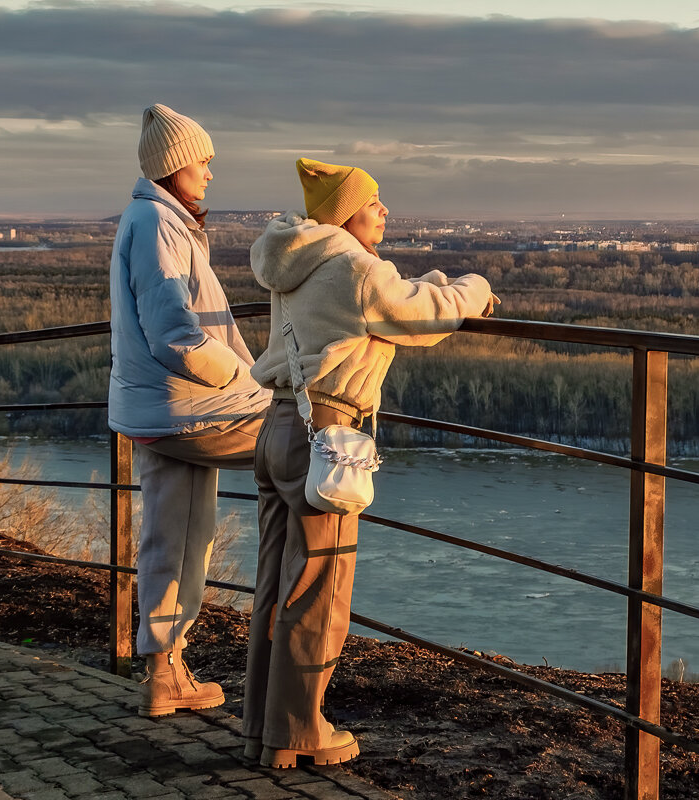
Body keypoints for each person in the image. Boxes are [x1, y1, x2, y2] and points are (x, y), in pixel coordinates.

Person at [242, 158, 496, 768]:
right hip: (324, 435)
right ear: (345, 214)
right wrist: (477, 288)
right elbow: (423, 315)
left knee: (276, 583)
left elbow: (393, 297)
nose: (386, 211)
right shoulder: (355, 269)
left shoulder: (299, 260)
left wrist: (429, 279)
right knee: (320, 587)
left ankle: (262, 728)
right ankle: (299, 730)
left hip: (278, 426)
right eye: (375, 203)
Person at [108, 103, 271, 717]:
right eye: (203, 162)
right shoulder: (157, 225)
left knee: (175, 536)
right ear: (174, 166)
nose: (209, 173)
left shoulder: (150, 219)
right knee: (305, 445)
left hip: (158, 411)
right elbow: (177, 335)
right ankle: (287, 654)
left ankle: (164, 674)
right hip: (184, 411)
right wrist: (250, 380)